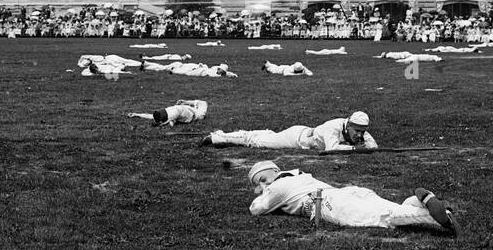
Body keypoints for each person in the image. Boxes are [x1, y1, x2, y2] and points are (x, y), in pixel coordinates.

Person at [246, 160, 456, 234]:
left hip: (325, 203)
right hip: (345, 192)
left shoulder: (277, 187)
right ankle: (419, 201)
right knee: (384, 206)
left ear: (275, 171)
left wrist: (261, 191)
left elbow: (257, 209)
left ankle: (437, 215)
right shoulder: (300, 174)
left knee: (382, 217)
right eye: (259, 184)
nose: (263, 185)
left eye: (263, 179)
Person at [201, 110, 377, 152]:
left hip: (302, 133)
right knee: (256, 142)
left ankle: (223, 133)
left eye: (363, 132)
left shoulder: (358, 128)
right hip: (296, 138)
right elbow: (331, 149)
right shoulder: (334, 126)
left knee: (267, 136)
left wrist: (365, 143)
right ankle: (217, 138)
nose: (360, 135)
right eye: (358, 131)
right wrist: (355, 148)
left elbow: (374, 146)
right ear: (349, 125)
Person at [128, 99, 208, 125]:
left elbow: (151, 116)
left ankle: (185, 102)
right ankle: (185, 102)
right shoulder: (170, 113)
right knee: (203, 105)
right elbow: (151, 116)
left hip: (190, 111)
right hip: (193, 114)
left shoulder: (170, 111)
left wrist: (136, 114)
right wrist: (136, 114)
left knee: (202, 105)